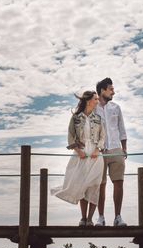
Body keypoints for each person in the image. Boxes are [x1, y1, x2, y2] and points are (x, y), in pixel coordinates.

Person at [51, 90, 105, 226]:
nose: (98, 102)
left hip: (95, 155)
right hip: (80, 154)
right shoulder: (75, 118)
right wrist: (77, 150)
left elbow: (102, 136)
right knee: (82, 184)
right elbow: (70, 136)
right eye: (96, 99)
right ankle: (83, 218)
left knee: (94, 186)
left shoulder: (98, 119)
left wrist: (98, 149)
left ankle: (90, 219)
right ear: (88, 101)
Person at [93, 77, 128, 227]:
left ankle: (118, 217)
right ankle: (100, 217)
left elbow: (122, 129)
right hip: (99, 151)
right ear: (102, 91)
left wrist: (124, 148)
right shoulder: (93, 108)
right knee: (100, 184)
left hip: (116, 149)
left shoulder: (116, 107)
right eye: (111, 89)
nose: (113, 91)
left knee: (118, 183)